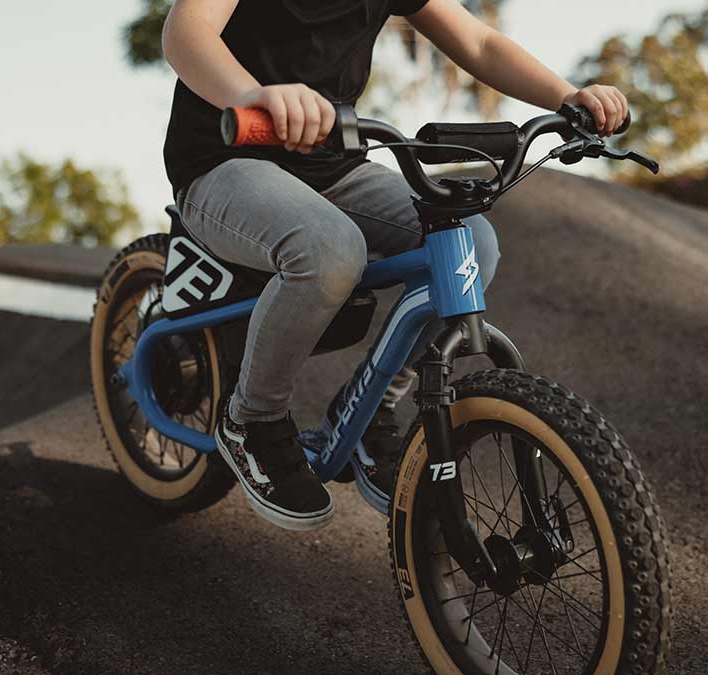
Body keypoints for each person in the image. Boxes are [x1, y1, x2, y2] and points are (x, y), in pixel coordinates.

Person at [162, 0, 629, 531]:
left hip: (334, 167)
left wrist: (566, 96)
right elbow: (186, 32)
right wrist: (252, 96)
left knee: (469, 241)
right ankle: (253, 420)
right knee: (330, 251)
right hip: (224, 162)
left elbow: (477, 42)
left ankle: (369, 412)